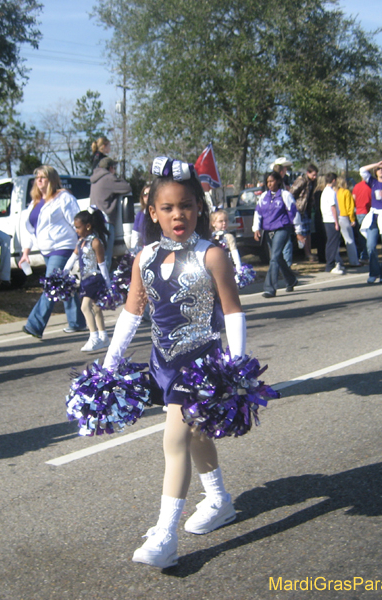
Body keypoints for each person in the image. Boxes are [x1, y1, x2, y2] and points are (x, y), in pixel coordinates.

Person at [101, 156, 245, 568]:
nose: (178, 214)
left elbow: (233, 312)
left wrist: (236, 367)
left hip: (201, 365)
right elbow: (131, 313)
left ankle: (165, 536)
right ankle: (219, 499)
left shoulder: (211, 255)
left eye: (186, 205)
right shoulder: (144, 258)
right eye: (167, 207)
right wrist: (109, 364)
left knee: (175, 439)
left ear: (199, 208)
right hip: (162, 364)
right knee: (197, 434)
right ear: (153, 213)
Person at [19, 166, 86, 338]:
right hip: (46, 249)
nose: (39, 181)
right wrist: (25, 253)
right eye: (37, 178)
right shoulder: (34, 203)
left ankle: (35, 325)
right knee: (64, 284)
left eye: (43, 177)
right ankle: (77, 322)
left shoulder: (63, 198)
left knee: (51, 285)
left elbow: (76, 221)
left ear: (52, 180)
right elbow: (30, 231)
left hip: (62, 247)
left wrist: (82, 241)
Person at [64, 209, 111, 352]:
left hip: (94, 278)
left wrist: (108, 284)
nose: (76, 230)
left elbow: (102, 265)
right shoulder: (80, 243)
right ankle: (104, 336)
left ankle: (94, 337)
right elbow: (72, 259)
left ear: (88, 226)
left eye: (78, 227)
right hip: (85, 279)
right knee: (96, 308)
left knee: (85, 307)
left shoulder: (96, 242)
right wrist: (62, 273)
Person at [253, 170, 305, 298]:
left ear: (278, 181)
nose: (269, 184)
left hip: (282, 228)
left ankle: (270, 288)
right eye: (268, 182)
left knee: (274, 257)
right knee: (278, 257)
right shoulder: (264, 196)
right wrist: (256, 228)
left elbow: (294, 213)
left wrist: (298, 231)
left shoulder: (285, 195)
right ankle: (291, 279)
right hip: (268, 231)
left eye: (272, 181)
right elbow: (258, 213)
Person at [89, 157, 132, 260]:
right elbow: (127, 187)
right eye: (114, 167)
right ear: (110, 168)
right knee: (105, 257)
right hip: (105, 221)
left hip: (94, 220)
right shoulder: (108, 178)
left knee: (97, 256)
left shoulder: (95, 179)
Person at [290, 164, 318, 262]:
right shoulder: (302, 181)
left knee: (308, 231)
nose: (314, 177)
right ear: (308, 173)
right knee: (303, 232)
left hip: (307, 209)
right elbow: (292, 192)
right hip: (300, 209)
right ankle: (307, 253)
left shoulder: (312, 182)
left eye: (315, 175)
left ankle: (309, 252)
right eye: (313, 175)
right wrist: (295, 205)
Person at [320, 173, 345, 275]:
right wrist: (336, 222)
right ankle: (330, 265)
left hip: (327, 219)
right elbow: (333, 207)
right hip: (331, 220)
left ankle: (335, 262)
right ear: (334, 180)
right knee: (333, 243)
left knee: (331, 242)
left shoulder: (325, 191)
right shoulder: (330, 192)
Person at [336, 178, 360, 267]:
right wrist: (352, 219)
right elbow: (350, 207)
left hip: (336, 216)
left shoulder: (335, 192)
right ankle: (354, 261)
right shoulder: (346, 192)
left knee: (336, 241)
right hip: (344, 216)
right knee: (349, 239)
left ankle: (337, 261)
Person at [352, 174, 372, 262]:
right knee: (367, 235)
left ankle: (361, 253)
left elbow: (353, 199)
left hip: (358, 212)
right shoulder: (370, 186)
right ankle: (365, 255)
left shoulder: (356, 186)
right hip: (367, 211)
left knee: (360, 235)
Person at [129, 184, 150, 254]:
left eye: (150, 194)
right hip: (145, 251)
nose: (147, 197)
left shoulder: (160, 213)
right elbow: (135, 235)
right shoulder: (140, 215)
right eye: (145, 194)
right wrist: (134, 252)